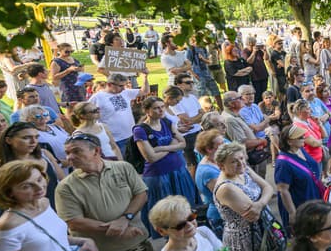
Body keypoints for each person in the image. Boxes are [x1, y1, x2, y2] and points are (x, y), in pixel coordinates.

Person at [133, 96, 198, 237]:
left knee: (185, 209)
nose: (161, 110)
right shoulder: (140, 130)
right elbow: (150, 157)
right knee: (166, 215)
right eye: (156, 108)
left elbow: (183, 143)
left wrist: (160, 148)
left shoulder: (167, 122)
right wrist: (172, 147)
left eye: (162, 107)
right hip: (159, 175)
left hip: (178, 171)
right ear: (147, 110)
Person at [0, 121, 65, 206]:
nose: (33, 141)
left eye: (36, 137)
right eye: (26, 138)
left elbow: (62, 180)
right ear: (9, 140)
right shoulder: (2, 168)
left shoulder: (44, 155)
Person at [274, 124, 324, 229]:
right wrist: (292, 213)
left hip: (312, 199)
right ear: (289, 141)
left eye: (303, 135)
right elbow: (283, 190)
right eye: (300, 137)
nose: (304, 138)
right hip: (300, 205)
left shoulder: (300, 149)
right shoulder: (283, 163)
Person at [88, 71, 149, 154]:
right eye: (120, 86)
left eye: (124, 85)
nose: (124, 88)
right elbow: (86, 113)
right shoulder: (97, 97)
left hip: (132, 135)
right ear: (109, 84)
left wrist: (145, 77)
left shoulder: (125, 92)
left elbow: (145, 91)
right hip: (115, 140)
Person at [221, 91, 270, 178]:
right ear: (231, 104)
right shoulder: (229, 119)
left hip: (254, 153)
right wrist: (261, 141)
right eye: (239, 98)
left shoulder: (236, 114)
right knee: (257, 181)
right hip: (248, 158)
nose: (243, 99)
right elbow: (242, 143)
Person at [193, 129, 227, 237]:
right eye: (221, 144)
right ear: (209, 149)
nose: (226, 146)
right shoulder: (208, 172)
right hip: (220, 216)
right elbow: (223, 197)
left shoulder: (216, 160)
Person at [50, 43, 87, 108]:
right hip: (67, 88)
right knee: (70, 108)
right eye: (66, 51)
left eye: (71, 51)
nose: (69, 53)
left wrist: (81, 69)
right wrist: (68, 70)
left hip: (79, 87)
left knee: (82, 107)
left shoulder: (74, 59)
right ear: (60, 51)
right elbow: (54, 77)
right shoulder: (56, 62)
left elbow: (80, 72)